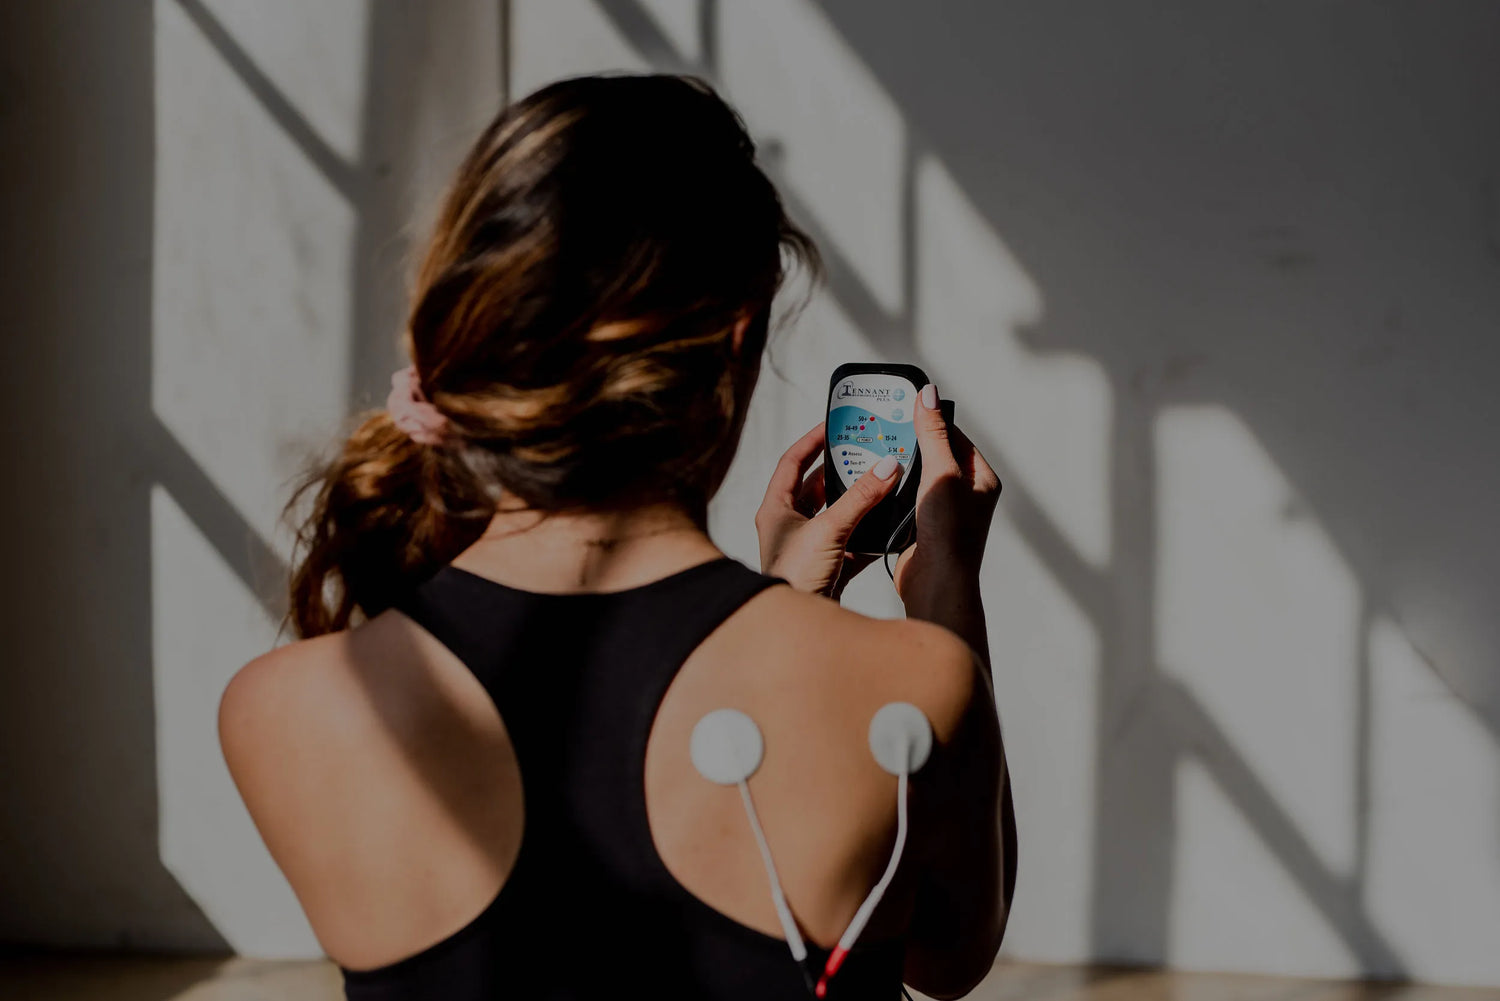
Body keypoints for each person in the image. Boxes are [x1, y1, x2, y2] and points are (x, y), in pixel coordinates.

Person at [218, 73, 1013, 1001]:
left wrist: (783, 609)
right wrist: (943, 585)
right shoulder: (913, 685)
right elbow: (947, 959)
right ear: (738, 345)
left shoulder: (280, 709)